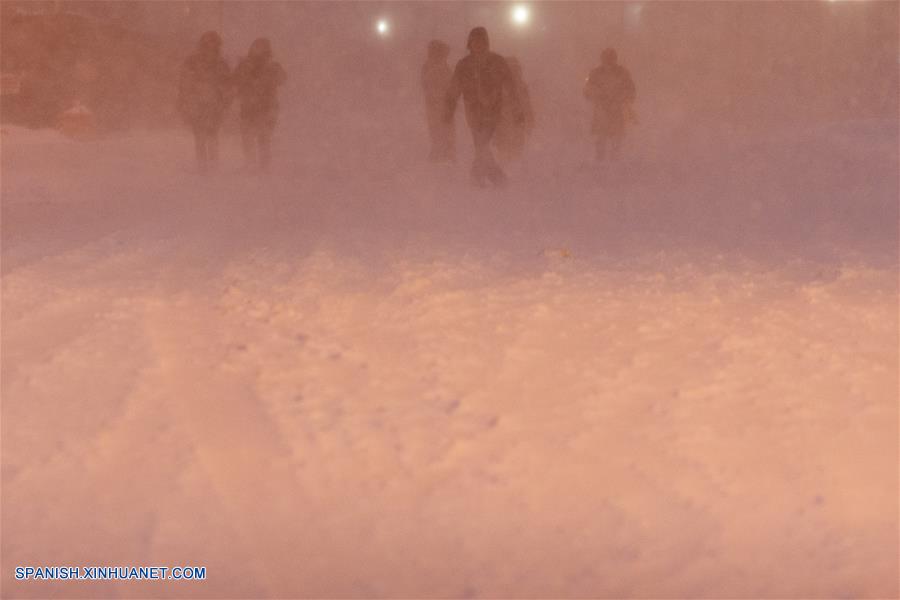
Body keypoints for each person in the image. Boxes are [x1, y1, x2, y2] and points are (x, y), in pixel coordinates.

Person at [445, 27, 523, 188]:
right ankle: (486, 177)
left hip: (493, 112)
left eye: (481, 41)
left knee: (482, 144)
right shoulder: (464, 65)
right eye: (475, 41)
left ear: (486, 42)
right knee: (481, 145)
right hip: (473, 113)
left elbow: (510, 86)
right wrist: (449, 109)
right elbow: (454, 88)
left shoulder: (497, 62)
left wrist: (517, 109)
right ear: (470, 43)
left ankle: (488, 177)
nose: (478, 45)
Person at [177, 31, 231, 173]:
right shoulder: (193, 62)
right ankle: (203, 165)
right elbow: (184, 83)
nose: (210, 47)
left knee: (211, 134)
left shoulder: (220, 64)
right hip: (198, 104)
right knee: (200, 135)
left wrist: (225, 100)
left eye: (213, 44)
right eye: (207, 44)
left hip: (213, 105)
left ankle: (212, 165)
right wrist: (184, 99)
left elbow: (227, 84)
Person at [232, 38, 286, 172]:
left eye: (261, 48)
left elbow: (282, 78)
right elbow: (234, 79)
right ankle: (251, 163)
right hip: (250, 107)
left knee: (263, 137)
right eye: (256, 47)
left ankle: (263, 165)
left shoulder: (272, 66)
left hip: (265, 107)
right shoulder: (245, 65)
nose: (258, 51)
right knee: (248, 136)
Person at [583, 47, 636, 162]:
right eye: (606, 59)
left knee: (615, 135)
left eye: (610, 59)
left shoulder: (621, 73)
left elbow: (630, 90)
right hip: (602, 108)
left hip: (615, 108)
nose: (608, 61)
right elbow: (587, 90)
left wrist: (620, 98)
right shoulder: (596, 73)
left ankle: (614, 159)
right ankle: (601, 159)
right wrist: (600, 96)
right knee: (602, 135)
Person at [493, 56, 535, 161]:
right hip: (506, 124)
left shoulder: (519, 85)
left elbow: (526, 105)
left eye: (515, 68)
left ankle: (511, 170)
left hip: (513, 123)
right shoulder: (499, 85)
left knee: (512, 151)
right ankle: (509, 169)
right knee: (507, 151)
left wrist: (529, 120)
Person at [421, 40, 456, 163]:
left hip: (441, 107)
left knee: (441, 132)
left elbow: (450, 86)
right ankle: (443, 157)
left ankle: (443, 156)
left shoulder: (440, 67)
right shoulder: (434, 67)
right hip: (438, 106)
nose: (445, 56)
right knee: (440, 132)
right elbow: (430, 87)